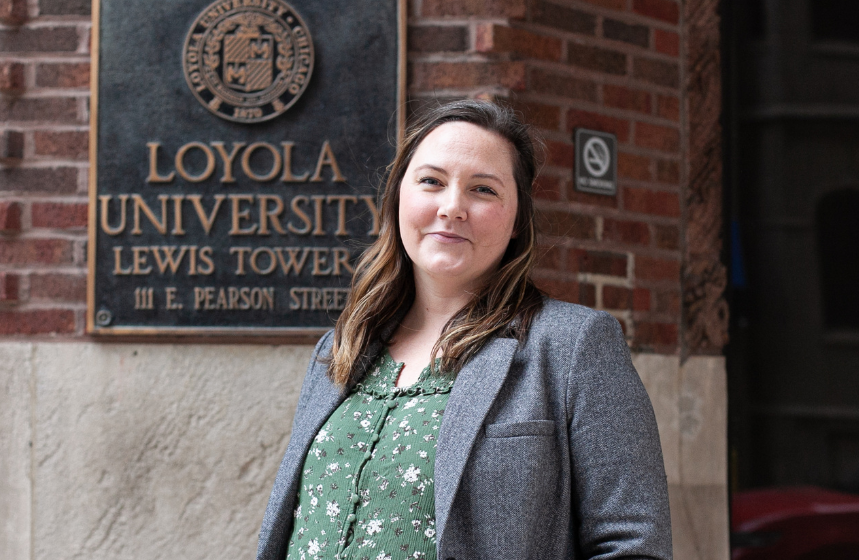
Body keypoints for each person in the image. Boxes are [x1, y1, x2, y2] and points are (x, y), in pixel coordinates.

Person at [256, 100, 671, 560]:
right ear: (398, 196)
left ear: (517, 220)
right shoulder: (341, 346)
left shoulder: (573, 347)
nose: (452, 207)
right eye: (431, 181)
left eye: (483, 190)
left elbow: (633, 545)